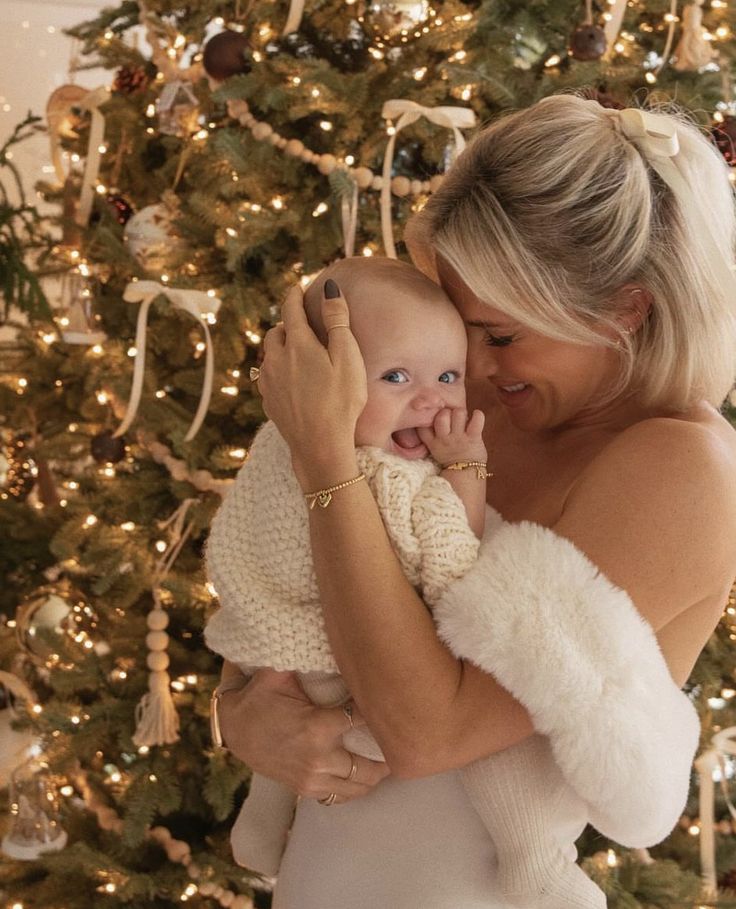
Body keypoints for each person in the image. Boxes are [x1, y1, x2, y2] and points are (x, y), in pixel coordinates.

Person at [212, 95, 736, 909]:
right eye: (462, 328)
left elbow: (428, 733)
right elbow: (289, 586)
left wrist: (326, 457)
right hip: (322, 873)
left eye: (501, 334)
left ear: (626, 308)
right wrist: (240, 712)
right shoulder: (480, 404)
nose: (472, 371)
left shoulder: (683, 468)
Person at [205, 256, 600, 906]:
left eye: (448, 375)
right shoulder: (387, 479)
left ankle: (261, 818)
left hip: (284, 654)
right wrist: (466, 474)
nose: (433, 399)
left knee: (278, 703)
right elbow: (450, 564)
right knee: (506, 747)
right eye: (396, 376)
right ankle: (535, 853)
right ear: (324, 381)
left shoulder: (275, 446)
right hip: (357, 678)